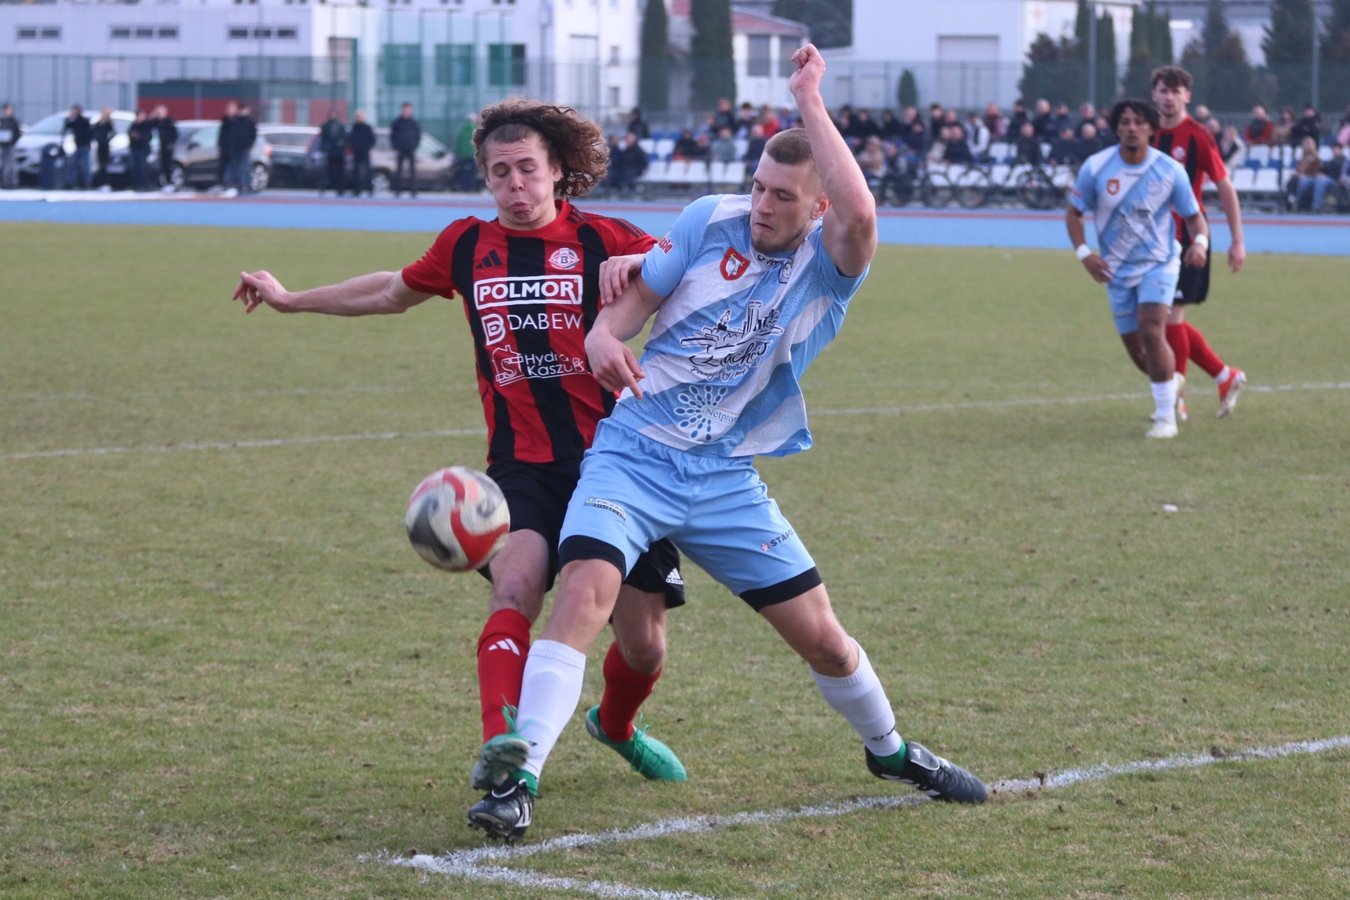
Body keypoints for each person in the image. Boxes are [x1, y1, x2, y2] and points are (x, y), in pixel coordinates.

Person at [466, 43, 989, 842]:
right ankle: (518, 779)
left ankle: (890, 752)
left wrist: (809, 97)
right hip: (632, 455)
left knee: (825, 641)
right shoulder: (709, 220)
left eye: (782, 195)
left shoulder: (831, 264)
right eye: (757, 187)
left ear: (817, 207)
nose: (761, 205)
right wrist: (605, 336)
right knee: (581, 597)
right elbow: (636, 299)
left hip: (722, 475)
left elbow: (861, 215)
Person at [231, 99, 691, 843]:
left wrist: (647, 261)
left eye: (527, 169)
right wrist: (291, 300)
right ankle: (504, 756)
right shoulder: (467, 244)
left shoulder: (605, 238)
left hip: (616, 466)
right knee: (515, 588)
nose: (514, 185)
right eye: (499, 172)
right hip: (520, 467)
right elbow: (390, 291)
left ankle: (615, 724)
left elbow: (687, 264)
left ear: (558, 172)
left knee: (644, 645)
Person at [1066, 98, 1211, 439]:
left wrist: (1201, 244)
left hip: (1159, 264)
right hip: (1115, 271)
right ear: (1116, 128)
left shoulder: (1169, 170)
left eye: (1139, 122)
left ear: (1151, 128)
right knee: (1137, 351)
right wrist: (1085, 254)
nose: (1132, 128)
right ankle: (1170, 382)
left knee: (1151, 330)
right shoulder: (1096, 168)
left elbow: (1194, 217)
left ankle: (1166, 418)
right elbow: (1073, 213)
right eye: (1125, 122)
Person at [1150, 66, 1247, 420]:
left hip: (1189, 240)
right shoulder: (1145, 131)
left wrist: (1237, 241)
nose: (1169, 97)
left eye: (1176, 91)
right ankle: (1224, 376)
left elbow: (1225, 186)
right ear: (1154, 94)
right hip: (1151, 241)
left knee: (1170, 317)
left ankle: (1175, 399)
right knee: (1156, 319)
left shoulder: (1198, 136)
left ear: (1187, 96)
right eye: (1163, 90)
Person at [1292, 137, 1332, 210]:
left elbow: (1317, 170)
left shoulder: (1316, 158)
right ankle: (1294, 202)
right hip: (1301, 176)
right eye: (1304, 145)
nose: (1306, 146)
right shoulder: (1301, 159)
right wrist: (1298, 173)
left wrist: (1304, 174)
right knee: (1294, 181)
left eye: (1308, 144)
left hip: (1312, 177)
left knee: (1303, 181)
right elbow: (1297, 169)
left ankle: (1313, 205)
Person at [391, 102, 421, 197]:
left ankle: (413, 190)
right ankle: (397, 190)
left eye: (408, 109)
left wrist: (414, 146)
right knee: (399, 171)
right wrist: (396, 147)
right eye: (405, 109)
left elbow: (418, 136)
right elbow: (392, 136)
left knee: (412, 171)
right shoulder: (397, 122)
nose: (406, 111)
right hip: (400, 150)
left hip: (411, 149)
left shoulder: (414, 122)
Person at [318, 108, 348, 197]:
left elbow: (345, 138)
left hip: (339, 153)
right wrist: (324, 148)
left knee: (340, 172)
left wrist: (342, 147)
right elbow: (323, 139)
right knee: (327, 171)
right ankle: (323, 188)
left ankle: (340, 189)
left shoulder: (341, 126)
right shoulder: (325, 126)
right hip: (329, 152)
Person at [62, 104, 92, 190]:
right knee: (72, 165)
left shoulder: (84, 121)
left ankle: (86, 183)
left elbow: (89, 133)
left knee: (85, 166)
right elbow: (67, 126)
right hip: (76, 147)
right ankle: (71, 183)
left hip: (84, 146)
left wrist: (86, 142)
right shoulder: (73, 121)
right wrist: (70, 118)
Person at [231, 105, 257, 193]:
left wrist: (249, 144)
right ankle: (237, 184)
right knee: (235, 167)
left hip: (245, 148)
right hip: (236, 148)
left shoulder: (250, 121)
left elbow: (253, 134)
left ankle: (248, 184)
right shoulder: (236, 121)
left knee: (246, 167)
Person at [150, 105, 178, 189]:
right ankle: (161, 182)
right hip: (159, 146)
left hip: (167, 147)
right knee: (160, 165)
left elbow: (174, 133)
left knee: (168, 164)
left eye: (160, 112)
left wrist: (170, 143)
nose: (159, 114)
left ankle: (170, 181)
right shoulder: (157, 122)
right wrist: (152, 115)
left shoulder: (169, 121)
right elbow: (147, 124)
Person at [349, 110, 375, 197]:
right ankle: (357, 189)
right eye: (357, 117)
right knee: (356, 172)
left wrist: (367, 147)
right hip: (356, 153)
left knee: (368, 171)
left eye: (360, 116)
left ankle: (370, 189)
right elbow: (350, 139)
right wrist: (353, 147)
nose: (359, 118)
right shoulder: (354, 127)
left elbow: (372, 139)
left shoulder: (367, 128)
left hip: (365, 152)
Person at [127, 109, 152, 191]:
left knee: (143, 167)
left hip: (143, 149)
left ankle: (144, 185)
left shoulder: (146, 125)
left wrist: (140, 136)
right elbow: (129, 133)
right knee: (134, 168)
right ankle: (135, 185)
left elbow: (148, 136)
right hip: (134, 149)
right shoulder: (134, 125)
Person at [91, 107, 115, 189]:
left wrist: (107, 139)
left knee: (105, 164)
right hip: (99, 145)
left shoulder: (109, 123)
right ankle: (100, 183)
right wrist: (97, 138)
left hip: (105, 145)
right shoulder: (98, 123)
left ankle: (106, 182)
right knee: (100, 164)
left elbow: (112, 133)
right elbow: (94, 132)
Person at [217, 101, 238, 189]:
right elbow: (221, 134)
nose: (229, 110)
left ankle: (233, 184)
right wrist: (220, 144)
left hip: (234, 149)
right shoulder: (225, 120)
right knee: (222, 167)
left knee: (233, 167)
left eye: (231, 108)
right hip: (224, 149)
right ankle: (222, 184)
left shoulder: (238, 121)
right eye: (228, 108)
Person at [1322, 142, 1350, 210]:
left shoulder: (1344, 160)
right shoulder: (1346, 161)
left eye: (1337, 149)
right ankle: (1342, 206)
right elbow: (1344, 173)